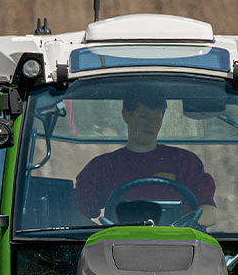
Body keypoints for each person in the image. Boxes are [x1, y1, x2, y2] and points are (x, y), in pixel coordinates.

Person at [73, 94, 217, 225]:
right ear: (126, 116)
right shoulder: (102, 167)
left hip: (181, 248)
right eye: (143, 116)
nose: (151, 124)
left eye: (157, 118)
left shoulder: (185, 162)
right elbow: (75, 212)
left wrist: (184, 228)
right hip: (116, 248)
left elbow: (210, 213)